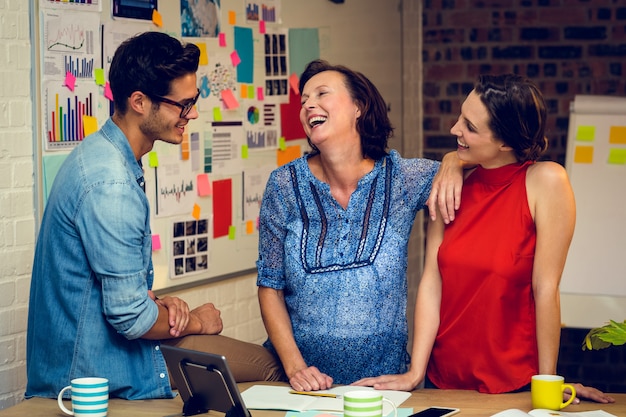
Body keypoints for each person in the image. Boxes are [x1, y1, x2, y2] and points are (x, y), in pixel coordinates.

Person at [25, 31, 283, 401]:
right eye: (184, 104)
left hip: (98, 357)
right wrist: (194, 320)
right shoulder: (111, 184)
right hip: (96, 375)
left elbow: (115, 286)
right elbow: (130, 318)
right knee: (270, 367)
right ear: (140, 102)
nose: (192, 113)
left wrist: (161, 305)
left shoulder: (100, 155)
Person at [354, 74, 615, 404]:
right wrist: (415, 372)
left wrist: (547, 383)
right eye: (461, 117)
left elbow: (545, 288)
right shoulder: (451, 186)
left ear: (505, 143)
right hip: (442, 381)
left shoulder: (546, 182)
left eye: (470, 127)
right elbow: (432, 282)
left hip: (514, 383)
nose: (454, 130)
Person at [256, 59, 463, 392]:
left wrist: (454, 161)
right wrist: (296, 369)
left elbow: (487, 175)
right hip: (302, 390)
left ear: (359, 107)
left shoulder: (401, 178)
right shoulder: (283, 185)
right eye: (304, 99)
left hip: (382, 388)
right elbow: (269, 285)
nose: (309, 104)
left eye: (322, 93)